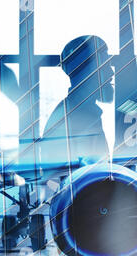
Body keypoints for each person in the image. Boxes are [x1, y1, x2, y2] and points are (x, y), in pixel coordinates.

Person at [41, 35, 114, 164]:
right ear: (86, 72)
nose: (111, 73)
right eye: (104, 65)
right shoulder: (66, 121)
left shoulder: (85, 114)